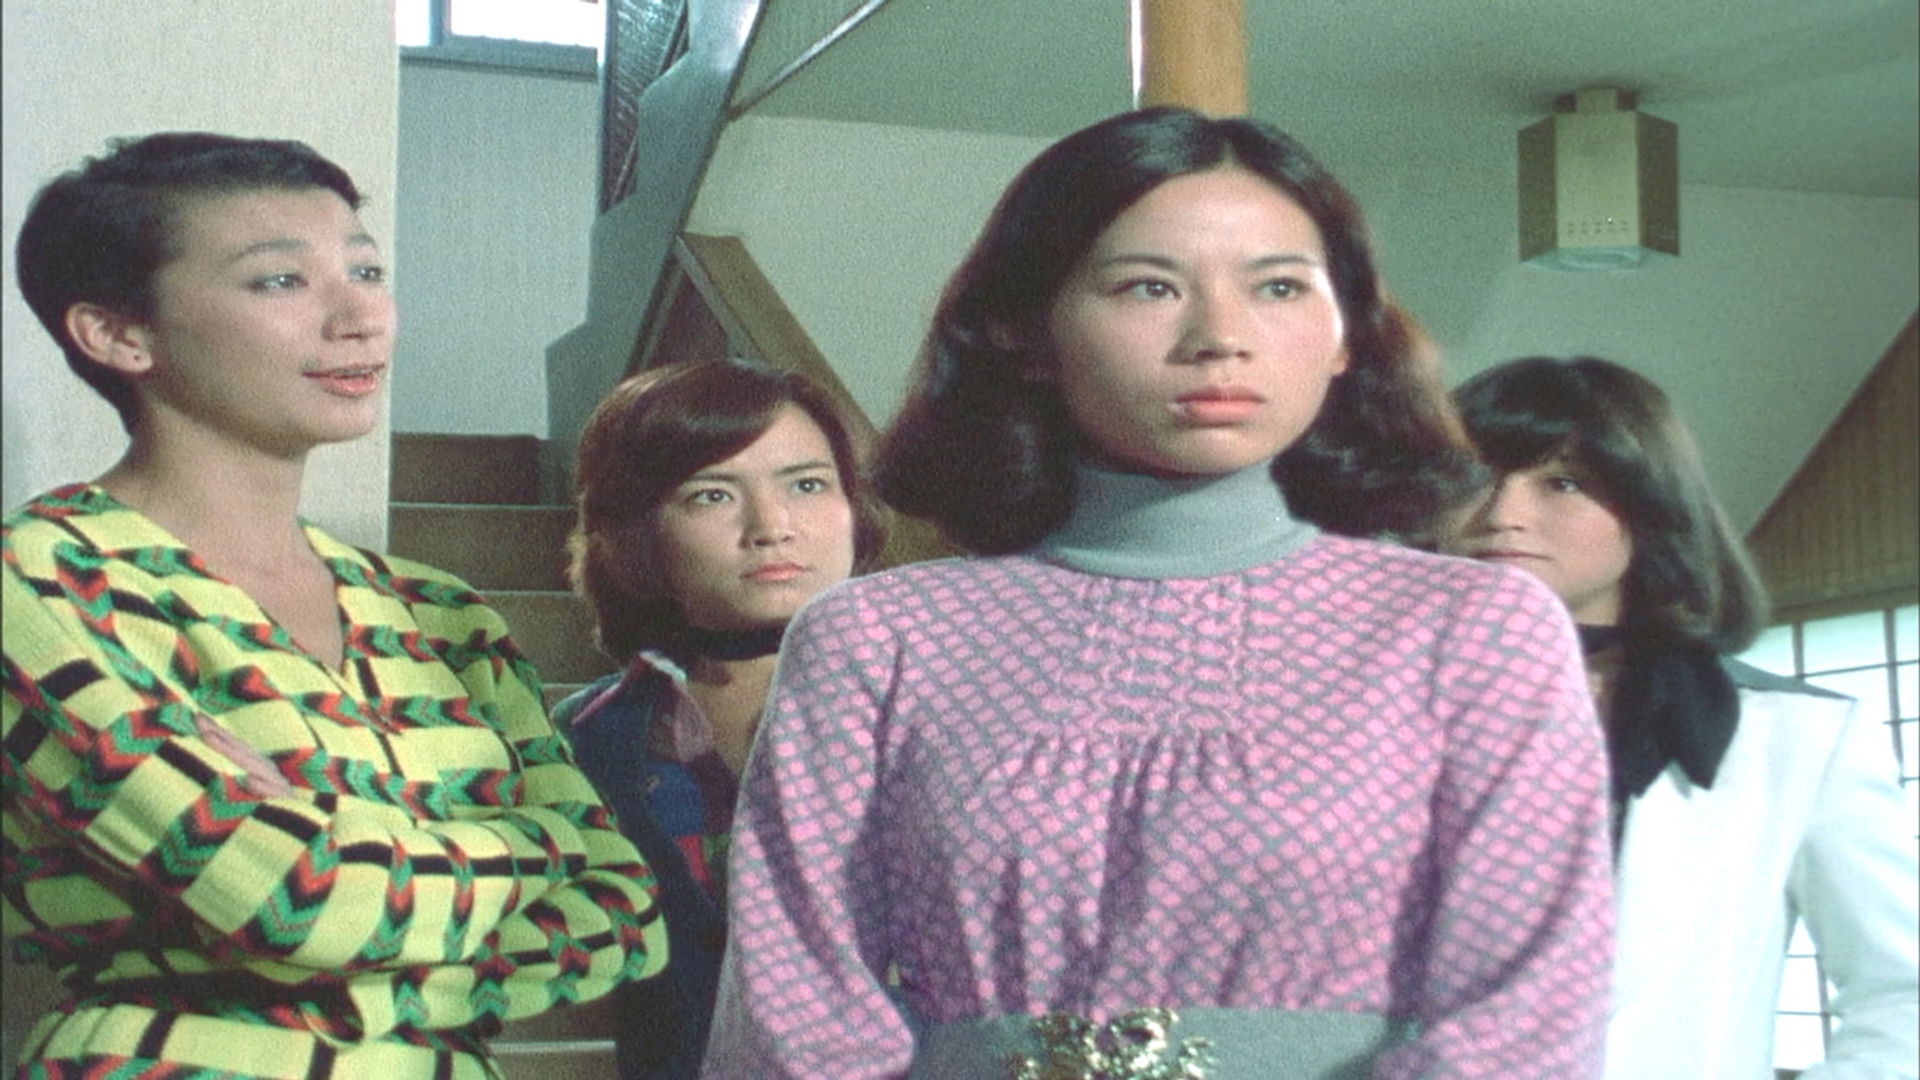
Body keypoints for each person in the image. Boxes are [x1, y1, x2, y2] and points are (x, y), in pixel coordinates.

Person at [701, 107, 1615, 1079]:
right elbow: (797, 1015)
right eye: (1149, 286)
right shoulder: (877, 639)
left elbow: (1527, 1016)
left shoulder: (1470, 629)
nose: (1220, 337)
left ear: (1346, 333)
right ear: (1024, 329)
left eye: (1278, 287)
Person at [2, 132, 666, 1079]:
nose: (360, 316)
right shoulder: (43, 578)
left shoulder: (438, 611)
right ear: (118, 335)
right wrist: (542, 845)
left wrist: (348, 879)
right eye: (280, 280)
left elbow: (623, 917)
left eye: (366, 270)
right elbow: (304, 899)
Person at [1445, 355, 1919, 1080]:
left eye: (1563, 482)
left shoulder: (1795, 738)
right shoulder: (1365, 717)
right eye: (1475, 478)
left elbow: (1904, 994)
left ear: (1650, 506)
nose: (1502, 513)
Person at [555, 358, 886, 1079]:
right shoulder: (589, 736)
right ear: (639, 529)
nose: (772, 528)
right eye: (712, 495)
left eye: (807, 485)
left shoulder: (933, 705)